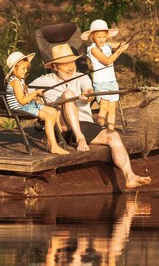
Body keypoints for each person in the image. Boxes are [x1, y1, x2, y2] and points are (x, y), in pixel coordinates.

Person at [30, 44, 151, 189]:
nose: (70, 67)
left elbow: (88, 90)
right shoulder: (43, 81)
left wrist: (86, 95)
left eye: (72, 62)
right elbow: (22, 95)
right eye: (65, 64)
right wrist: (38, 101)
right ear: (55, 66)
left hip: (85, 125)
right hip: (61, 129)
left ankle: (129, 176)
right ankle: (80, 137)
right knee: (68, 95)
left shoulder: (82, 77)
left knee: (114, 136)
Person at [5, 51, 69, 155]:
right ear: (14, 68)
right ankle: (53, 146)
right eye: (23, 69)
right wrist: (35, 93)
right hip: (19, 107)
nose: (25, 71)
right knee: (48, 117)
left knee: (53, 111)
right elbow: (21, 101)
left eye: (26, 68)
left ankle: (47, 139)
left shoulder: (20, 80)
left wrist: (25, 89)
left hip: (26, 105)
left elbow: (23, 96)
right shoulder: (15, 82)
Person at [81, 19, 129, 131]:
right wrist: (120, 50)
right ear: (92, 37)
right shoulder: (93, 49)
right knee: (104, 109)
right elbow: (107, 61)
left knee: (112, 109)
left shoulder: (106, 45)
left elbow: (118, 44)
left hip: (112, 81)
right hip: (101, 82)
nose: (101, 39)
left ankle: (111, 130)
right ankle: (100, 130)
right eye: (99, 37)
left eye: (104, 36)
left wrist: (123, 44)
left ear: (107, 36)